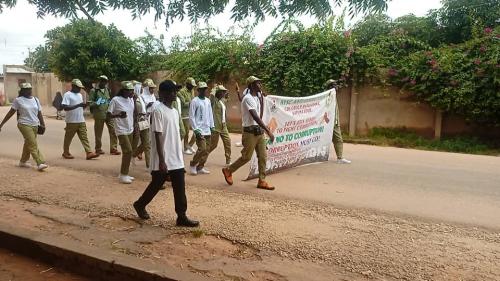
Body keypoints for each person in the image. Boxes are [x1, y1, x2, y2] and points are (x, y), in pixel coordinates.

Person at [133, 79, 199, 227]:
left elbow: (175, 135)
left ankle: (181, 216)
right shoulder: (158, 111)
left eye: (175, 91)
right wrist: (162, 160)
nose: (174, 93)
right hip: (163, 157)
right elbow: (157, 135)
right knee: (156, 184)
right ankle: (140, 204)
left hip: (176, 157)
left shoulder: (175, 112)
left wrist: (179, 155)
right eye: (171, 91)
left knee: (180, 187)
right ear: (162, 93)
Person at [222, 76, 275, 190]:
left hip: (259, 132)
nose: (260, 85)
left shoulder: (258, 96)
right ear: (251, 85)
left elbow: (263, 97)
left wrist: (263, 93)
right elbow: (255, 116)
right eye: (257, 83)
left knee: (263, 156)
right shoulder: (248, 98)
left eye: (260, 83)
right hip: (250, 132)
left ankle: (262, 180)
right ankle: (228, 170)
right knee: (246, 157)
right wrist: (268, 131)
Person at [0, 83, 48, 171]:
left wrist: (43, 124)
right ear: (22, 91)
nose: (29, 90)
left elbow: (39, 113)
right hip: (23, 124)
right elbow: (11, 112)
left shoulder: (35, 99)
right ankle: (40, 162)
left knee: (28, 143)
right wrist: (2, 124)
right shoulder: (18, 100)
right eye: (26, 89)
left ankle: (23, 161)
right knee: (33, 143)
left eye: (30, 88)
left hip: (35, 124)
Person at [61, 79, 99, 160]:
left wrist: (86, 105)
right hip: (71, 121)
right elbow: (65, 108)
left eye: (80, 87)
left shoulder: (80, 95)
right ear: (73, 86)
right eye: (78, 87)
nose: (79, 89)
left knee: (84, 137)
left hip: (81, 119)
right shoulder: (67, 95)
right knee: (68, 138)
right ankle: (65, 152)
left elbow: (81, 107)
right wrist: (78, 105)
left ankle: (89, 152)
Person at [108, 81, 136, 184]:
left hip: (130, 129)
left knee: (129, 151)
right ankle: (123, 174)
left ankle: (125, 173)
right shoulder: (115, 100)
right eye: (129, 90)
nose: (131, 92)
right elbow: (108, 115)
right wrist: (118, 115)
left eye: (132, 90)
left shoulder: (131, 100)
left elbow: (133, 113)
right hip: (121, 129)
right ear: (123, 90)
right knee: (127, 151)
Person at [88, 75, 120, 155]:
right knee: (98, 132)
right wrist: (97, 103)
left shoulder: (107, 90)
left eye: (105, 81)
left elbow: (108, 100)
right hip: (99, 114)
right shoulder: (93, 91)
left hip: (108, 113)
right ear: (99, 81)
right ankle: (98, 149)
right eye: (102, 80)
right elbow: (90, 104)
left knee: (113, 130)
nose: (103, 82)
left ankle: (113, 148)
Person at [188, 82, 214, 175]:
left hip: (207, 129)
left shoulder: (208, 100)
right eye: (202, 89)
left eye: (205, 89)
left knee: (207, 150)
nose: (204, 91)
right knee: (202, 148)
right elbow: (191, 116)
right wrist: (195, 129)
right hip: (199, 129)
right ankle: (193, 164)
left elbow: (210, 114)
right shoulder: (194, 101)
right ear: (198, 90)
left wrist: (212, 126)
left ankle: (200, 167)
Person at [325, 79, 351, 164]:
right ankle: (337, 158)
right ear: (330, 87)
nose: (336, 86)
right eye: (333, 85)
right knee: (335, 139)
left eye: (335, 84)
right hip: (329, 122)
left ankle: (339, 157)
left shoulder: (333, 96)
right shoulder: (328, 96)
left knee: (337, 140)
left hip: (335, 122)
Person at [132, 80, 154, 170]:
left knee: (147, 143)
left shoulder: (140, 98)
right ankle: (132, 155)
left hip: (143, 121)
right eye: (139, 88)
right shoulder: (132, 99)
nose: (141, 89)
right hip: (137, 122)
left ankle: (149, 165)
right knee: (137, 142)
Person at [208, 85, 231, 166]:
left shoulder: (222, 101)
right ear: (218, 92)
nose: (223, 93)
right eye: (221, 91)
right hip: (216, 126)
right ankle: (202, 157)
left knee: (227, 142)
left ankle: (228, 161)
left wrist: (226, 92)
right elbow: (211, 95)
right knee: (213, 145)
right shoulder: (214, 101)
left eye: (223, 92)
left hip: (223, 126)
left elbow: (227, 98)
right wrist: (214, 88)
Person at [178, 77, 197, 155]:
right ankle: (185, 148)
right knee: (186, 132)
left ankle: (189, 145)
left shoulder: (192, 90)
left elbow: (192, 101)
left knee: (196, 131)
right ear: (187, 84)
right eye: (191, 85)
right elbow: (184, 104)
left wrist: (192, 102)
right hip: (184, 115)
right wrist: (192, 102)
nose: (193, 87)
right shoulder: (181, 92)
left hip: (191, 114)